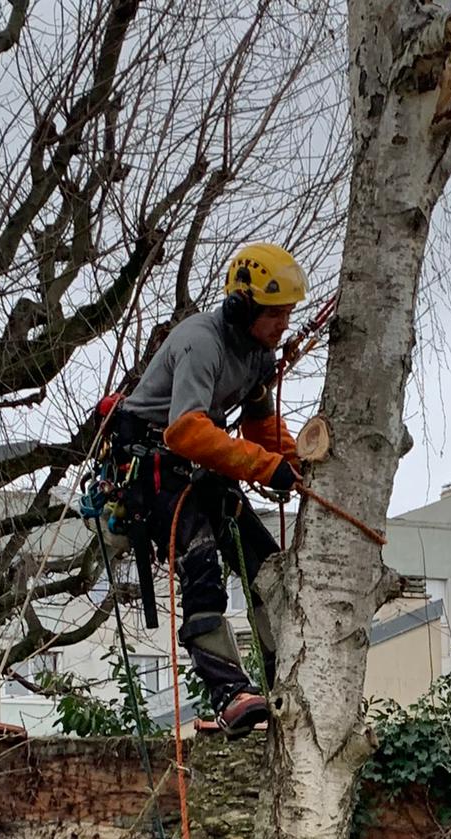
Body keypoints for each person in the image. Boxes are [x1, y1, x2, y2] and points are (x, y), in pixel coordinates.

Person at [111, 243, 306, 737]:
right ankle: (230, 693)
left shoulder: (257, 355)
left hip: (201, 467)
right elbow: (185, 431)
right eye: (275, 314)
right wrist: (266, 468)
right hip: (155, 466)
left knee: (268, 566)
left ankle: (286, 674)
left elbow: (260, 426)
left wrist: (294, 463)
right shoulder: (202, 342)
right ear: (242, 306)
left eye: (288, 313)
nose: (283, 324)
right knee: (201, 568)